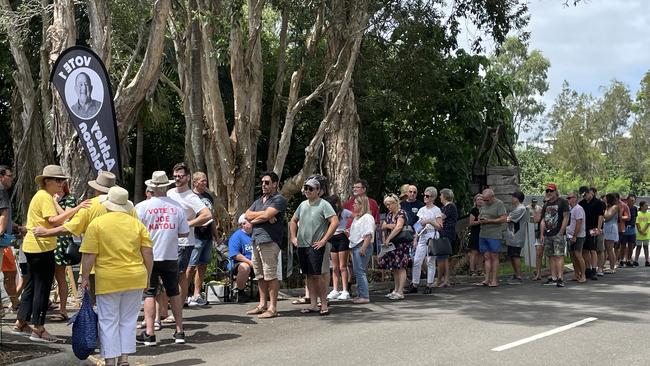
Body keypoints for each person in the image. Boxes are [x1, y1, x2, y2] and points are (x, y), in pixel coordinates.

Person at [80, 186, 153, 366]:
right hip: (136, 276)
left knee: (108, 320)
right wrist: (148, 277)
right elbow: (148, 254)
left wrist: (84, 277)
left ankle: (111, 361)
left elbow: (89, 255)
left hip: (108, 278)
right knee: (128, 320)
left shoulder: (97, 224)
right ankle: (124, 359)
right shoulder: (137, 224)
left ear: (108, 205)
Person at [14, 165, 80, 342]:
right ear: (47, 181)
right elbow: (54, 220)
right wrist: (78, 207)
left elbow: (63, 216)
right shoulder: (44, 197)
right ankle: (39, 329)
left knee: (33, 286)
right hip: (41, 248)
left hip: (34, 247)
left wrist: (60, 204)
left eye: (62, 180)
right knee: (42, 289)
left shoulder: (47, 197)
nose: (61, 183)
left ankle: (21, 322)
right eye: (58, 180)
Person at [135, 171, 190, 346]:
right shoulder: (176, 207)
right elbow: (184, 232)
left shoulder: (142, 207)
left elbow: (135, 232)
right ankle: (179, 330)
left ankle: (150, 333)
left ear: (151, 187)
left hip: (149, 255)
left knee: (150, 292)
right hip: (170, 254)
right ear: (167, 186)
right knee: (173, 291)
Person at [289, 178, 338, 315]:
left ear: (318, 190)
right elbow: (293, 220)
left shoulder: (324, 204)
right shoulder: (302, 205)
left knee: (319, 275)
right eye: (306, 188)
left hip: (317, 245)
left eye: (311, 188)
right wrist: (293, 237)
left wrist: (324, 240)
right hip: (303, 245)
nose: (307, 191)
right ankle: (313, 304)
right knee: (309, 275)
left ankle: (323, 304)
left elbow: (334, 222)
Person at [167, 163, 212, 307]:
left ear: (187, 178)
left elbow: (207, 215)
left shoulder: (191, 197)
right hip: (168, 241)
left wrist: (188, 224)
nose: (177, 179)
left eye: (180, 176)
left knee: (180, 275)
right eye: (175, 176)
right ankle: (167, 309)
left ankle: (178, 308)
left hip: (184, 242)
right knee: (167, 276)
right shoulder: (170, 193)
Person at [244, 171, 287, 319]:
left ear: (275, 184)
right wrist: (263, 217)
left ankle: (273, 307)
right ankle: (262, 305)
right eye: (262, 182)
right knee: (260, 275)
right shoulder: (259, 200)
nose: (263, 185)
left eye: (267, 182)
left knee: (270, 274)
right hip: (256, 240)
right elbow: (246, 215)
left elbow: (267, 215)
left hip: (270, 240)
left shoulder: (279, 199)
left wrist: (261, 217)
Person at [51, 181, 88, 322]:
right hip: (49, 240)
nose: (59, 185)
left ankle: (63, 310)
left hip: (61, 241)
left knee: (60, 276)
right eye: (57, 183)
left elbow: (67, 218)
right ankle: (51, 305)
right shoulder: (47, 197)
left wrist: (55, 204)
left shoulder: (70, 199)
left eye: (62, 183)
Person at [187, 172, 220, 307]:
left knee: (203, 265)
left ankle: (196, 294)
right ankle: (182, 294)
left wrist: (216, 236)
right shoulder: (189, 197)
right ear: (194, 182)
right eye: (202, 180)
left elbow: (211, 217)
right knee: (190, 266)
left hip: (207, 236)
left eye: (205, 180)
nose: (204, 183)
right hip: (195, 236)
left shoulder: (208, 197)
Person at [406, 187, 442, 294]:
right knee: (417, 260)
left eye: (427, 196)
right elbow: (418, 226)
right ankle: (415, 284)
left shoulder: (436, 210)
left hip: (432, 235)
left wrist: (430, 221)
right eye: (424, 195)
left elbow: (440, 226)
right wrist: (415, 238)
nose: (425, 197)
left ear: (433, 198)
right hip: (422, 235)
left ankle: (429, 284)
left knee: (430, 260)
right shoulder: (422, 210)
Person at [0, 165, 25, 311]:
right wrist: (1, 232)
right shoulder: (1, 189)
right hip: (2, 239)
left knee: (10, 273)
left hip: (6, 239)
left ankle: (13, 303)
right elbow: (3, 214)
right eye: (10, 176)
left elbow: (5, 217)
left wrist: (16, 227)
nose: (12, 179)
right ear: (1, 176)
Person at [379, 194, 411, 300]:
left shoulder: (401, 213)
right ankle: (396, 289)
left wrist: (388, 238)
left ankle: (401, 291)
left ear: (395, 203)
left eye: (389, 204)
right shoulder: (389, 214)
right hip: (392, 245)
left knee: (401, 267)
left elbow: (398, 227)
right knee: (394, 267)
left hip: (401, 243)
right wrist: (388, 226)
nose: (388, 206)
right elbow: (383, 226)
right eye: (386, 205)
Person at [540, 184, 570, 287]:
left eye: (551, 191)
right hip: (548, 233)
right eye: (547, 191)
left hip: (558, 232)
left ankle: (560, 278)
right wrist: (542, 234)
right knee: (550, 256)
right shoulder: (546, 204)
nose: (549, 193)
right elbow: (543, 220)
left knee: (559, 255)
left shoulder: (562, 202)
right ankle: (553, 277)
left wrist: (561, 230)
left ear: (556, 191)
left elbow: (566, 217)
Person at [347, 196, 375, 304]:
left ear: (362, 205)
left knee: (360, 271)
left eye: (356, 204)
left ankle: (364, 295)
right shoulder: (357, 218)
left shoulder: (367, 217)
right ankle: (360, 294)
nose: (353, 205)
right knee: (358, 271)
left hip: (362, 245)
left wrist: (363, 247)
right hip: (355, 245)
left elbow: (368, 233)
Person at [326, 195, 353, 301]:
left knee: (343, 266)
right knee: (335, 267)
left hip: (342, 237)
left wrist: (349, 228)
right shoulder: (329, 212)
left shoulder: (345, 212)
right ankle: (335, 289)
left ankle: (345, 290)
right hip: (332, 238)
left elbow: (355, 217)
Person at [477, 188, 507, 287]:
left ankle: (494, 279)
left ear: (492, 197)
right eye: (484, 200)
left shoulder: (499, 204)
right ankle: (486, 279)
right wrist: (480, 220)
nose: (485, 202)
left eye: (487, 200)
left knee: (494, 256)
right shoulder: (483, 204)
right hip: (483, 233)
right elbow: (480, 215)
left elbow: (503, 218)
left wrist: (489, 221)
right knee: (486, 257)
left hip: (494, 234)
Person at [579, 186, 604, 281]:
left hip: (593, 228)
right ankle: (587, 269)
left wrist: (598, 229)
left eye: (585, 194)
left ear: (590, 192)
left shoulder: (598, 203)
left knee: (593, 250)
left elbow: (600, 216)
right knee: (585, 250)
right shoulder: (581, 203)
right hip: (584, 229)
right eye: (583, 195)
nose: (584, 197)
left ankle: (594, 270)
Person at [228, 214, 254, 300]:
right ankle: (240, 292)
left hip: (255, 261)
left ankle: (263, 293)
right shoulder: (236, 236)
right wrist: (250, 262)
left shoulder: (256, 234)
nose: (253, 222)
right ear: (243, 224)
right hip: (238, 263)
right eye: (250, 221)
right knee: (245, 267)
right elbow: (235, 255)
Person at [506, 191, 527, 285]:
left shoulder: (521, 208)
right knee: (511, 256)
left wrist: (506, 217)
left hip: (517, 236)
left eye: (513, 197)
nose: (512, 199)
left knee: (515, 255)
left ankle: (519, 276)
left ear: (517, 198)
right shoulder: (516, 208)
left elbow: (509, 219)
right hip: (511, 236)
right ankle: (516, 274)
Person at [437, 188, 457, 288]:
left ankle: (442, 280)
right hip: (444, 233)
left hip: (446, 234)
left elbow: (440, 218)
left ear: (445, 196)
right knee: (444, 258)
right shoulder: (445, 207)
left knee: (443, 257)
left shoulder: (450, 206)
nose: (440, 197)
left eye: (441, 195)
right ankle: (445, 280)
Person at [566, 192, 586, 283]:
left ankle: (583, 275)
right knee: (573, 256)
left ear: (575, 198)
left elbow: (579, 223)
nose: (568, 199)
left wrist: (574, 235)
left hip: (578, 235)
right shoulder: (571, 209)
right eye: (567, 198)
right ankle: (576, 273)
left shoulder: (578, 209)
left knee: (578, 255)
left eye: (569, 198)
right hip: (570, 235)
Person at [602, 193, 620, 274]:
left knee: (610, 249)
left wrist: (605, 207)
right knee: (605, 249)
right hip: (607, 227)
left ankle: (612, 267)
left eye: (605, 198)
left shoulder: (615, 207)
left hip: (611, 227)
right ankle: (602, 266)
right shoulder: (609, 207)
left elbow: (607, 217)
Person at [528, 198, 544, 281]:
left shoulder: (540, 208)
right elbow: (536, 219)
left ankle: (554, 274)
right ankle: (538, 274)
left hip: (549, 234)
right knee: (538, 254)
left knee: (551, 256)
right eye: (544, 201)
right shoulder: (538, 209)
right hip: (539, 234)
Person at [468, 194, 483, 276]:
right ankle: (472, 270)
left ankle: (480, 269)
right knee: (474, 252)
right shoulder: (474, 210)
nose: (480, 201)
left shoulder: (485, 209)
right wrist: (479, 221)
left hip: (483, 232)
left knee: (481, 252)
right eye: (478, 199)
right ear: (475, 201)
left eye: (481, 199)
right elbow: (471, 223)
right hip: (475, 233)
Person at [620, 194, 637, 267]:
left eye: (634, 200)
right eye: (631, 200)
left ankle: (629, 260)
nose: (633, 202)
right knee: (623, 245)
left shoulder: (635, 208)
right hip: (625, 228)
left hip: (632, 228)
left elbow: (635, 217)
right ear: (628, 200)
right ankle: (621, 260)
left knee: (631, 245)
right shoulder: (624, 207)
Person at [633, 201, 650, 266]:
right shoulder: (638, 213)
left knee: (646, 247)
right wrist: (640, 231)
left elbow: (648, 223)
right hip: (639, 234)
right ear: (641, 206)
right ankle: (636, 261)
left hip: (646, 233)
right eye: (645, 205)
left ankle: (647, 261)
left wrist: (643, 231)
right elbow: (637, 223)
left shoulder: (648, 213)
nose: (647, 207)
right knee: (638, 247)